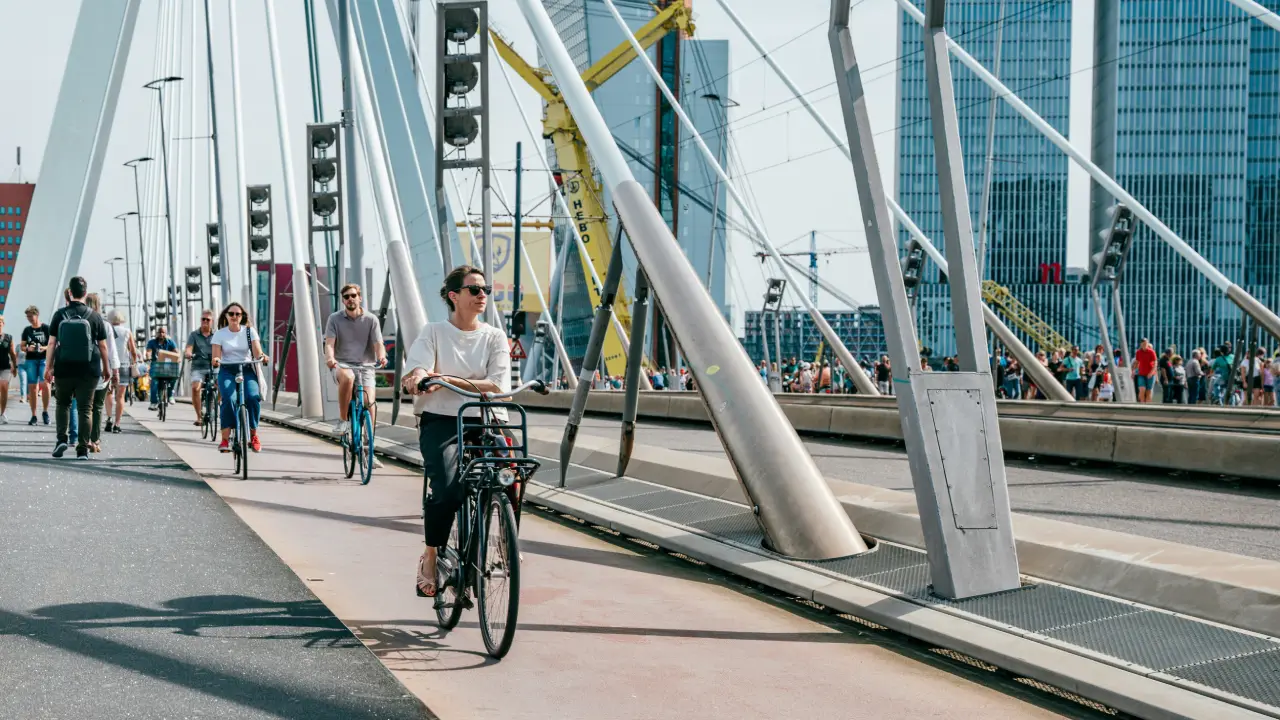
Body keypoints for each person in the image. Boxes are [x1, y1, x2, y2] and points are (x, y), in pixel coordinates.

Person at [401, 266, 511, 597]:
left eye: (485, 290)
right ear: (454, 296)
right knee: (448, 489)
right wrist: (419, 377)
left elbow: (497, 384)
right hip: (442, 420)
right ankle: (431, 555)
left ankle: (507, 542)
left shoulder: (494, 336)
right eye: (475, 290)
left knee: (512, 474)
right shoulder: (434, 332)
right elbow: (419, 368)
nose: (482, 295)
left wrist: (446, 379)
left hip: (487, 418)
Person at [45, 277, 111, 459]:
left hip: (64, 367)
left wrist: (48, 367)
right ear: (85, 293)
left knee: (63, 403)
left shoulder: (59, 315)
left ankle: (61, 440)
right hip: (89, 369)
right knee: (85, 408)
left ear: (70, 292)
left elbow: (51, 343)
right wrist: (106, 368)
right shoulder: (95, 316)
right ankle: (82, 449)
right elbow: (103, 346)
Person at [324, 283, 387, 464]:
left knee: (369, 402)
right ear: (343, 300)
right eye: (346, 297)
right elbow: (329, 344)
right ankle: (343, 420)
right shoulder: (334, 319)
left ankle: (369, 448)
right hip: (342, 364)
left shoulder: (371, 319)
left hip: (366, 366)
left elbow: (378, 344)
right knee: (348, 377)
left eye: (353, 296)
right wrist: (330, 358)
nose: (350, 299)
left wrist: (381, 357)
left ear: (360, 298)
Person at [212, 302, 269, 453]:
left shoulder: (249, 331)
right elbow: (216, 356)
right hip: (227, 370)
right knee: (228, 399)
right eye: (231, 314)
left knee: (253, 397)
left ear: (242, 316)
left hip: (247, 369)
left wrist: (262, 356)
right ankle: (225, 439)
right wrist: (216, 360)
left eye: (238, 314)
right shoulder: (220, 334)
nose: (234, 316)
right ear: (226, 316)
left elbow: (257, 352)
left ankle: (254, 436)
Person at [84, 293, 119, 453]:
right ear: (99, 305)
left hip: (81, 370)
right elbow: (110, 350)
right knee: (97, 406)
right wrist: (115, 371)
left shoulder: (79, 322)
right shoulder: (105, 325)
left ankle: (84, 439)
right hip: (100, 369)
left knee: (85, 407)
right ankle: (95, 440)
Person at [103, 309, 137, 434]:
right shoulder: (127, 331)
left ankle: (109, 418)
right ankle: (117, 424)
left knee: (108, 393)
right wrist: (134, 362)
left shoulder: (107, 329)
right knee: (120, 396)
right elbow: (133, 351)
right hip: (123, 365)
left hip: (109, 365)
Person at [185, 310, 216, 427]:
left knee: (222, 385)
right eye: (203, 319)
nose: (205, 321)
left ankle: (215, 406)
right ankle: (199, 417)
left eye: (208, 319)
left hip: (214, 366)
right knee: (195, 388)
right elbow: (189, 348)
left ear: (212, 321)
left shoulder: (217, 335)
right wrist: (188, 353)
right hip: (198, 366)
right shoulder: (194, 335)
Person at [21, 305, 51, 425]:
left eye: (31, 316)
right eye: (27, 316)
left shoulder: (46, 328)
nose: (29, 318)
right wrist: (28, 348)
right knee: (32, 387)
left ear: (37, 315)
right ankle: (33, 415)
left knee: (45, 385)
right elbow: (22, 346)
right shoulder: (27, 330)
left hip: (44, 359)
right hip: (31, 360)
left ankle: (45, 411)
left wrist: (43, 348)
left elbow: (52, 344)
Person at [145, 326, 177, 411]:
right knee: (154, 382)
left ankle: (170, 395)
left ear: (166, 333)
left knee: (174, 377)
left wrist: (178, 358)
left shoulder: (170, 342)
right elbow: (149, 351)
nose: (161, 334)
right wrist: (148, 356)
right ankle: (153, 402)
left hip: (167, 365)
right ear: (157, 333)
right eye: (159, 332)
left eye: (163, 332)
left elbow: (176, 352)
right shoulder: (152, 342)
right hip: (156, 365)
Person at [0, 316, 16, 422]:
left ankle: (2, 413)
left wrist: (15, 366)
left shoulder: (8, 337)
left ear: (3, 324)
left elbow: (12, 353)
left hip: (5, 366)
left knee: (4, 387)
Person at [1133, 338, 1158, 403]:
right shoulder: (1138, 352)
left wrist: (1151, 373)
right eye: (1143, 344)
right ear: (1141, 344)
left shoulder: (1152, 352)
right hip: (1141, 374)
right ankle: (1142, 405)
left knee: (1148, 392)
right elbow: (1137, 362)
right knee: (1142, 390)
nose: (1145, 345)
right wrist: (1133, 371)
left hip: (1150, 375)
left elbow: (1155, 364)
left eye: (1146, 343)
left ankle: (1147, 406)